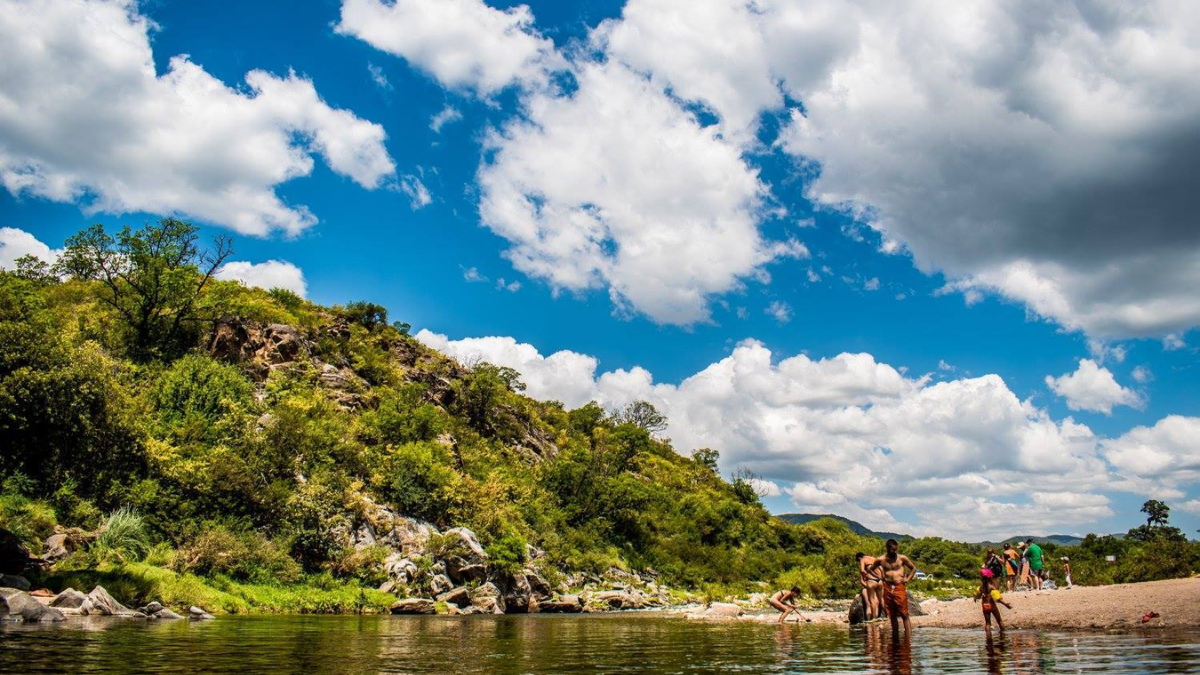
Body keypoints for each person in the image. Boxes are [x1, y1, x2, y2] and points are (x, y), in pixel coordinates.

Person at [868, 538, 916, 635]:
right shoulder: (880, 559)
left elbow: (913, 568)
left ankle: (908, 637)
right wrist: (880, 577)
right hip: (888, 587)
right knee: (892, 614)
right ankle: (895, 637)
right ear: (887, 548)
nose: (895, 551)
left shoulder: (902, 558)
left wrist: (907, 579)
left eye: (896, 549)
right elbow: (871, 568)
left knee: (904, 613)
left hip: (899, 586)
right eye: (893, 550)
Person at [974, 568, 1013, 635]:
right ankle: (1003, 634)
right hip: (992, 605)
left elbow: (977, 596)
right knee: (999, 621)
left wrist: (975, 598)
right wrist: (1006, 604)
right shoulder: (991, 587)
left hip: (985, 606)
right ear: (990, 577)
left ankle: (988, 637)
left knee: (988, 623)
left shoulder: (981, 587)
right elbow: (998, 599)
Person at [856, 552, 884, 620]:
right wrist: (880, 577)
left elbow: (862, 572)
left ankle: (873, 618)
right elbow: (882, 568)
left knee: (872, 602)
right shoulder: (874, 559)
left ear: (859, 558)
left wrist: (867, 574)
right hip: (878, 581)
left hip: (871, 582)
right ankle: (887, 616)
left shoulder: (863, 560)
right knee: (879, 600)